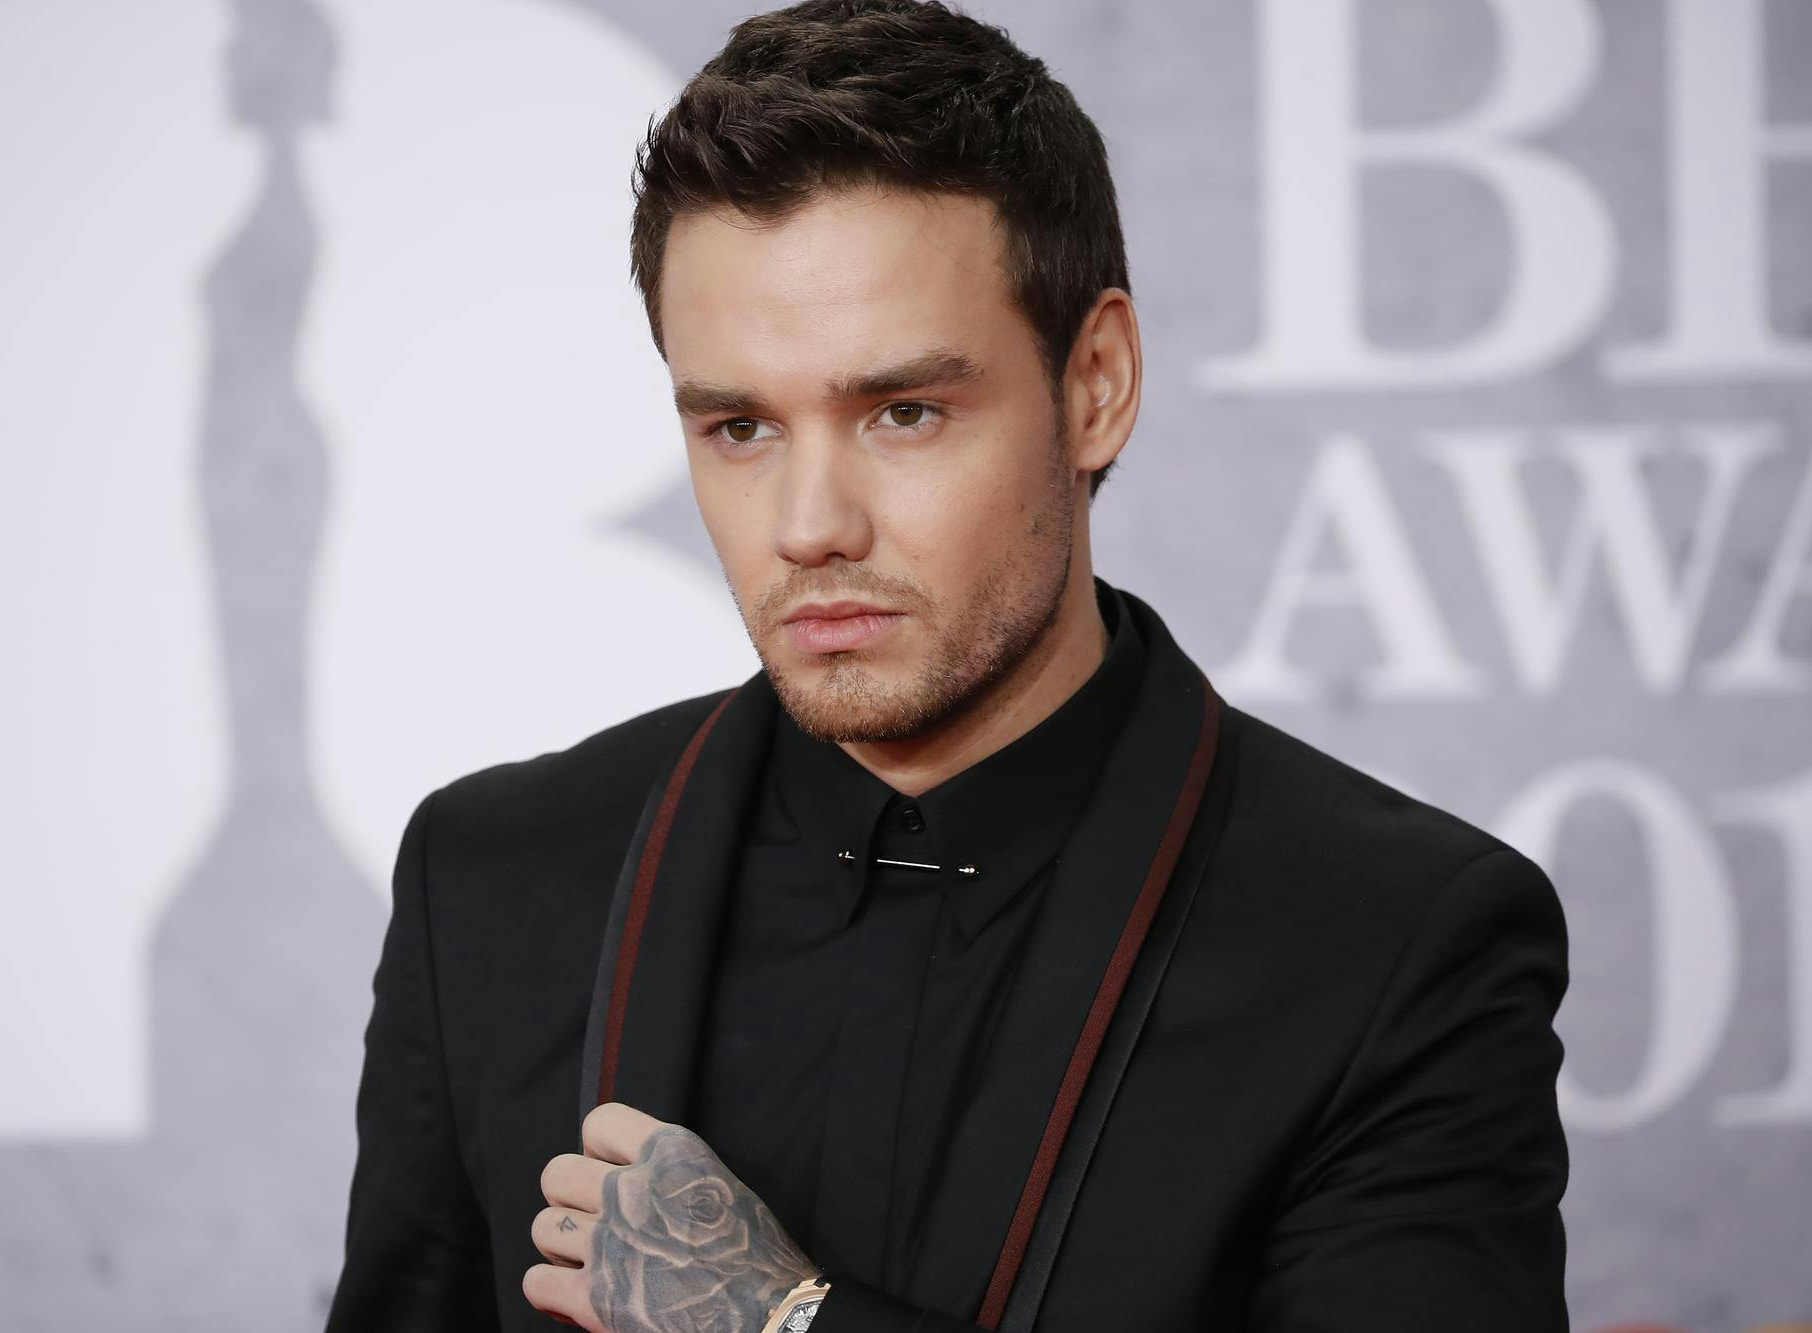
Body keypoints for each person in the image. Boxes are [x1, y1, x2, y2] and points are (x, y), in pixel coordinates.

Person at [322, 1, 1572, 1329]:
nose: (808, 525)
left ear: (1095, 383)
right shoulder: (493, 885)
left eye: (902, 411)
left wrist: (783, 1318)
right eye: (739, 426)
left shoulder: (1390, 943)